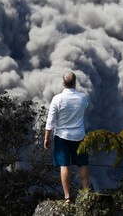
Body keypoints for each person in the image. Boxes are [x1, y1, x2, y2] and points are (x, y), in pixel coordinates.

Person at [44, 71, 90, 203]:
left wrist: (46, 138)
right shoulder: (82, 98)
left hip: (62, 136)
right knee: (83, 164)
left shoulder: (57, 99)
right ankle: (86, 193)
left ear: (63, 83)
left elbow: (50, 121)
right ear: (75, 83)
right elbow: (85, 106)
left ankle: (67, 196)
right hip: (79, 136)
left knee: (64, 165)